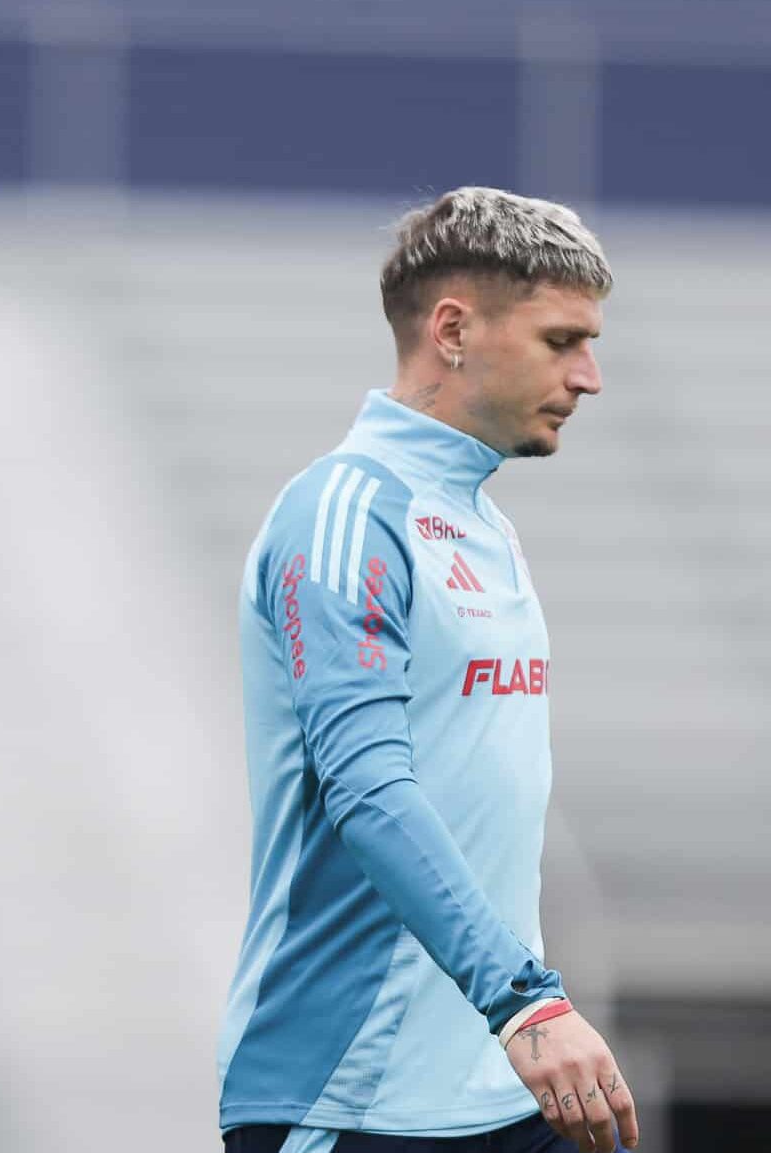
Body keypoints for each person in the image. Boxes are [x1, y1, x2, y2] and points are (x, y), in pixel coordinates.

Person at [218, 187, 637, 1153]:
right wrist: (527, 1001)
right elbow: (367, 788)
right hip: (350, 1092)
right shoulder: (344, 513)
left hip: (497, 1083)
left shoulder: (485, 523)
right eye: (562, 340)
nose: (591, 376)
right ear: (453, 328)